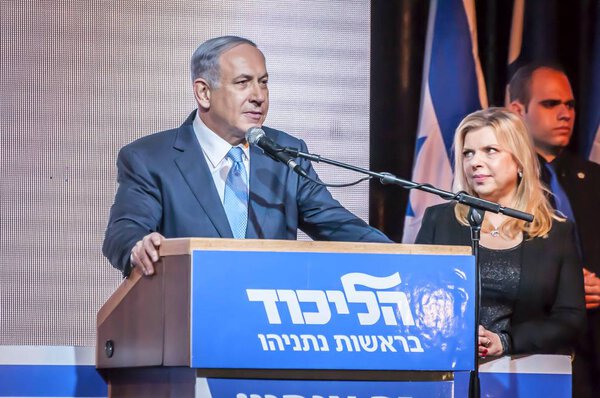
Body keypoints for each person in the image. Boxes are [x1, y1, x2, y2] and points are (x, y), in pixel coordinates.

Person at [102, 35, 391, 276]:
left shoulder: (286, 154)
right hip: (189, 321)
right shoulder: (150, 159)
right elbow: (123, 232)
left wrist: (405, 258)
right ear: (204, 93)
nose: (259, 96)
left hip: (269, 325)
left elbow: (338, 225)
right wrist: (139, 246)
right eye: (243, 83)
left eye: (263, 82)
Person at [416, 108, 585, 358]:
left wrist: (505, 341)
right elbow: (415, 299)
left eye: (490, 151)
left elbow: (570, 319)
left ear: (519, 161)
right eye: (468, 153)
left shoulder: (556, 231)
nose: (475, 162)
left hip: (526, 375)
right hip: (447, 367)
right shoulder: (438, 220)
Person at [509, 62, 600, 397]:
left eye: (570, 105)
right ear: (518, 110)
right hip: (531, 346)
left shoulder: (593, 178)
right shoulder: (501, 182)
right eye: (551, 104)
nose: (565, 113)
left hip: (591, 345)